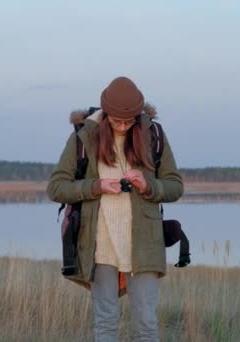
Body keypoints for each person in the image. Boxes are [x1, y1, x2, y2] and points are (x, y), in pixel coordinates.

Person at [46, 76, 183, 341]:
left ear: (138, 115)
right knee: (106, 325)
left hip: (144, 247)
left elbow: (175, 187)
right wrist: (96, 186)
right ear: (106, 113)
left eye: (129, 121)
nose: (122, 126)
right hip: (99, 248)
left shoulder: (153, 135)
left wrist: (148, 186)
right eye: (116, 121)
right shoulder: (84, 136)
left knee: (146, 326)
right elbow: (56, 188)